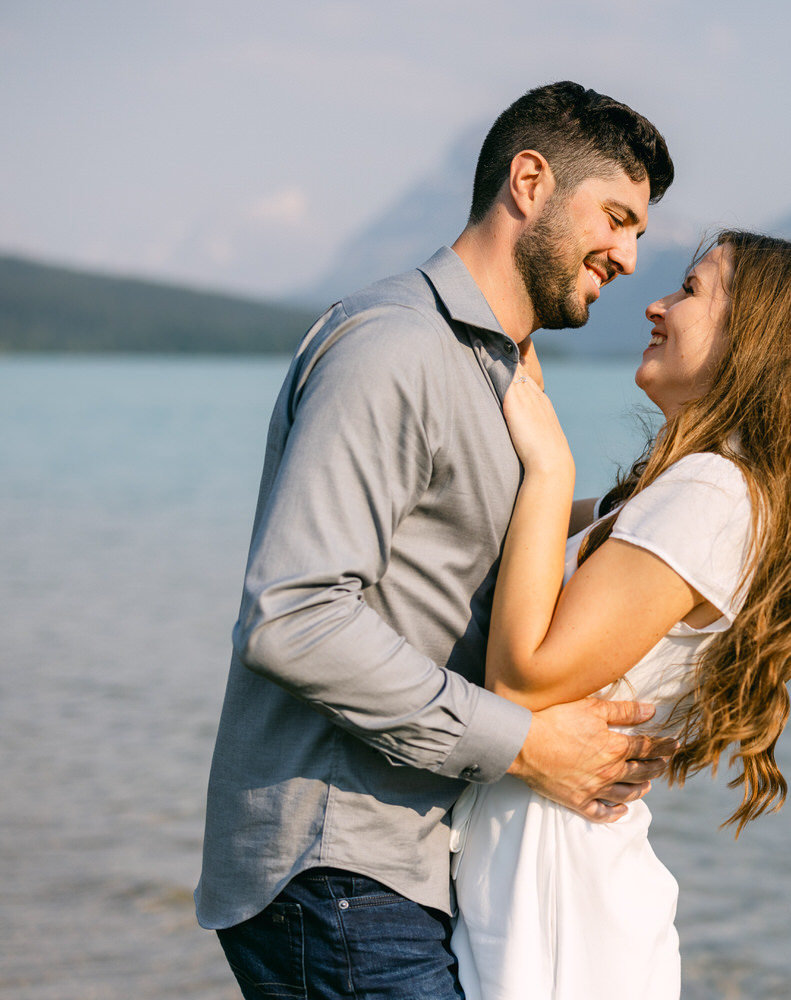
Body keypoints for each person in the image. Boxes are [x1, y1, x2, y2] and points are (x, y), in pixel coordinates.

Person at [197, 82, 677, 1000]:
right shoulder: (397, 346)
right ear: (529, 182)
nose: (626, 256)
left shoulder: (490, 363)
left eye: (640, 233)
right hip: (337, 868)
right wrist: (526, 742)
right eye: (615, 218)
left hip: (403, 870)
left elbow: (466, 556)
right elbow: (291, 616)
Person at [448, 230, 791, 999]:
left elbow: (523, 678)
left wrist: (550, 465)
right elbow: (512, 543)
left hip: (556, 902)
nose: (657, 303)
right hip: (544, 872)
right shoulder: (687, 491)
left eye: (691, 290)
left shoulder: (711, 492)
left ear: (756, 342)